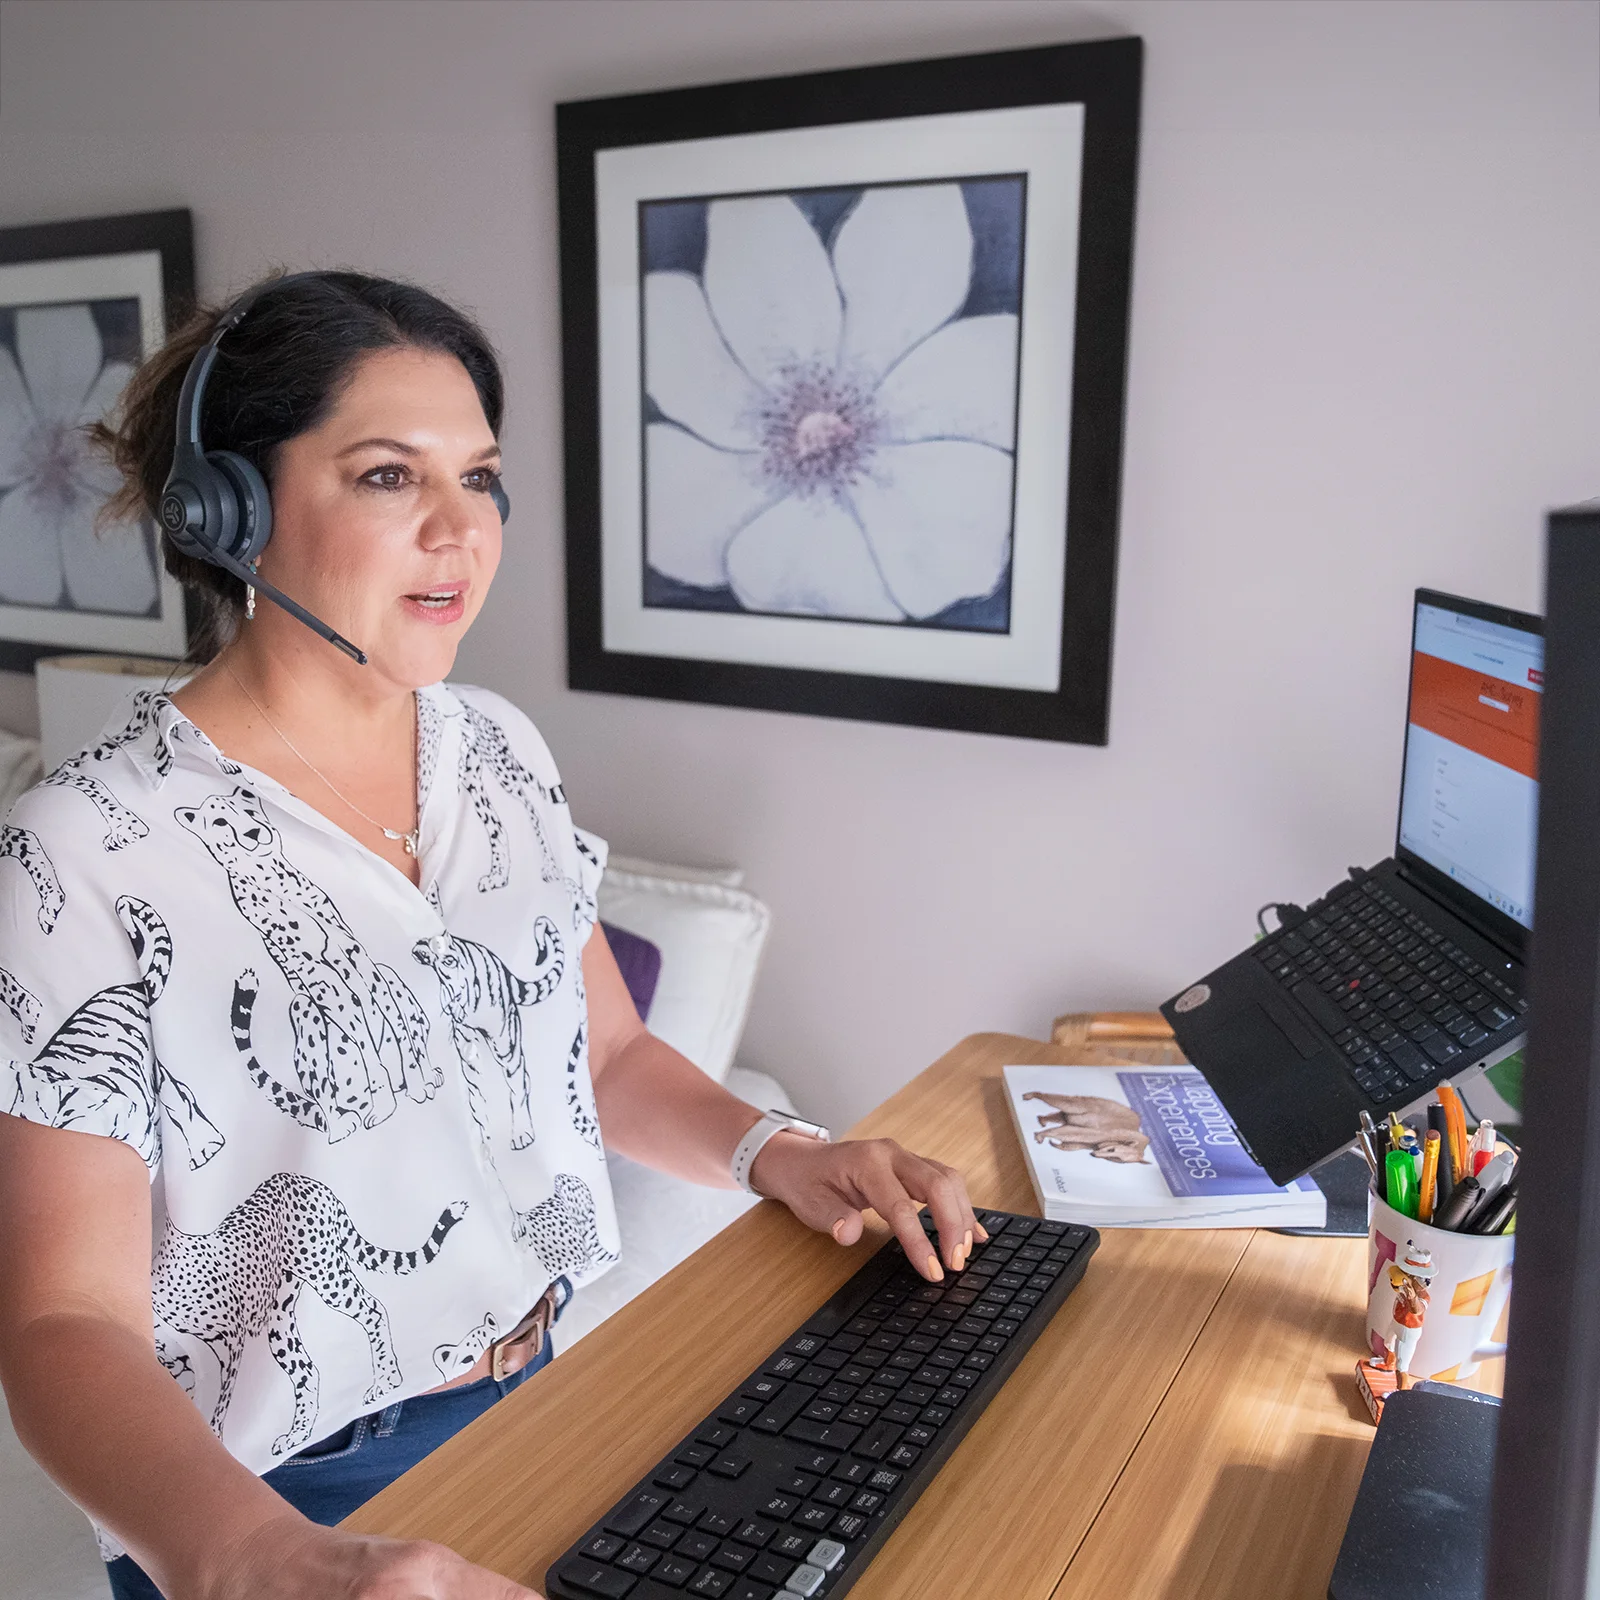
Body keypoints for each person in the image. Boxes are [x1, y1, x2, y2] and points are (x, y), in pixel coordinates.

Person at [0, 271, 983, 1600]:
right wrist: (260, 1561)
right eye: (391, 478)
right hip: (287, 1510)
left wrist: (782, 1153)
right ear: (227, 510)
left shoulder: (498, 752)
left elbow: (610, 1055)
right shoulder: (81, 849)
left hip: (547, 1399)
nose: (464, 531)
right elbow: (64, 1326)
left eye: (484, 476)